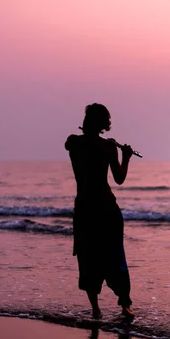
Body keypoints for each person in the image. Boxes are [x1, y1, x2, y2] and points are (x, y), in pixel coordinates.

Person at [65, 103, 134, 319]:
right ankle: (125, 305)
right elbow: (120, 179)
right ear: (105, 124)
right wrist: (126, 156)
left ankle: (95, 309)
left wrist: (105, 143)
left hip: (85, 209)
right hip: (106, 208)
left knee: (88, 257)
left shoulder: (74, 143)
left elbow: (73, 143)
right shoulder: (108, 148)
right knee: (114, 257)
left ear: (86, 121)